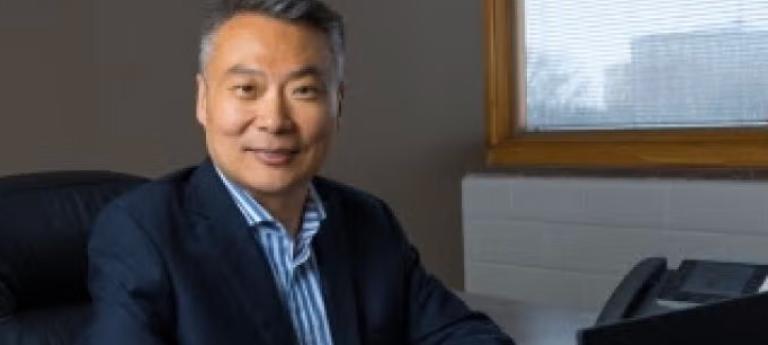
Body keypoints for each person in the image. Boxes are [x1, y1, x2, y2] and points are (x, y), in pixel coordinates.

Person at [80, 0, 515, 344]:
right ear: (203, 101)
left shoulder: (369, 222)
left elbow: (464, 334)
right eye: (246, 89)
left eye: (304, 91)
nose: (274, 120)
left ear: (337, 104)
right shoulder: (143, 233)